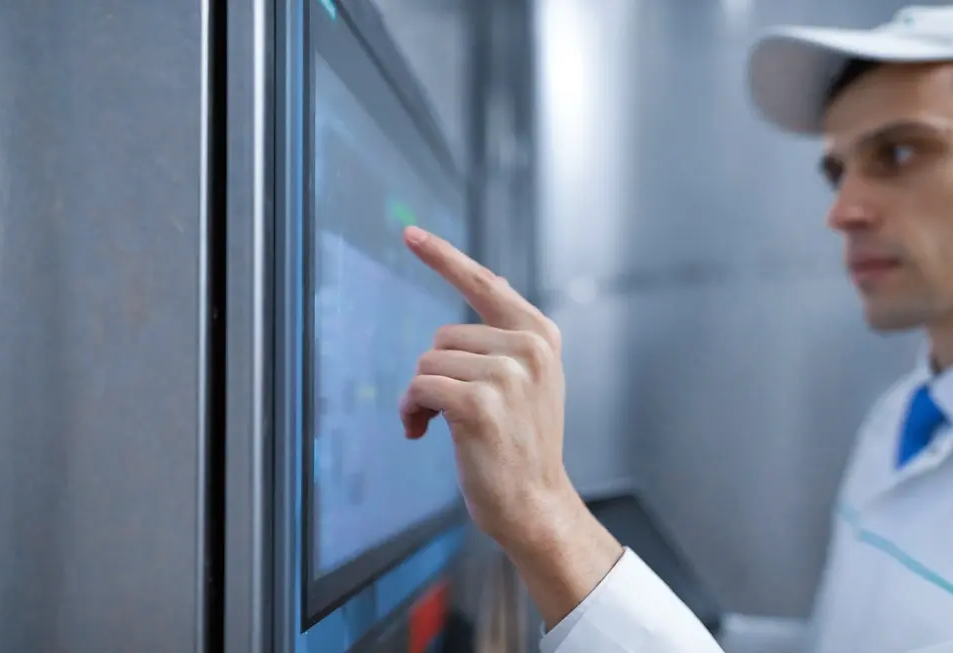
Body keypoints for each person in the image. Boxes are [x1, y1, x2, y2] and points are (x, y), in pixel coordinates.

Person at [398, 5, 953, 653]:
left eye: (900, 151)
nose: (842, 210)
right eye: (837, 171)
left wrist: (547, 521)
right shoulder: (907, 416)